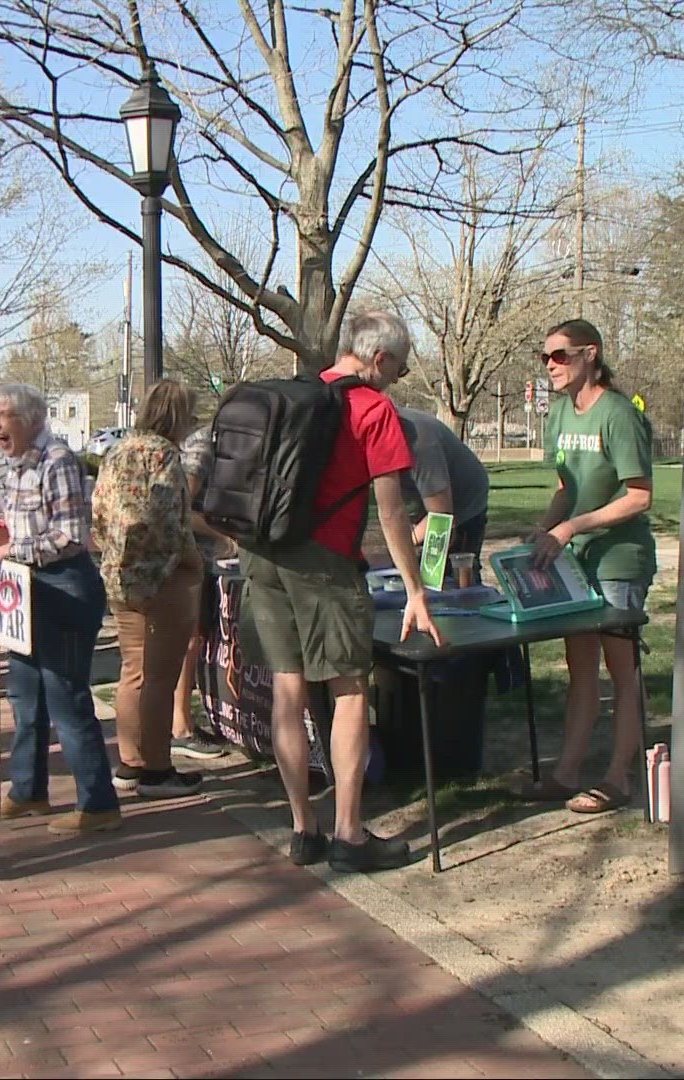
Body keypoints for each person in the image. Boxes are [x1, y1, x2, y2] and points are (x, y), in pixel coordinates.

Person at [239, 312, 441, 872]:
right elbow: (393, 510)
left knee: (288, 689)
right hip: (324, 563)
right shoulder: (374, 410)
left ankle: (304, 829)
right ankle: (349, 834)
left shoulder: (300, 393)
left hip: (266, 553)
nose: (398, 378)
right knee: (350, 688)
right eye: (397, 367)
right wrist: (414, 587)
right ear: (379, 360)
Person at [0, 383, 121, 836]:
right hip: (27, 591)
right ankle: (28, 789)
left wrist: (9, 551)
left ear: (32, 419)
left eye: (4, 415)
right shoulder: (17, 463)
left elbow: (70, 536)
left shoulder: (56, 460)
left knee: (65, 695)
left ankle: (97, 802)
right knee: (25, 695)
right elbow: (28, 523)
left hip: (64, 589)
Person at [525, 318, 655, 814]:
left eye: (560, 355)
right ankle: (565, 773)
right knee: (580, 670)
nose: (551, 366)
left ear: (590, 355)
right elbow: (565, 488)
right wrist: (546, 528)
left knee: (623, 673)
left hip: (619, 562)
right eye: (546, 358)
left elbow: (640, 497)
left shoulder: (618, 414)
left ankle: (619, 777)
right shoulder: (558, 415)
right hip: (573, 564)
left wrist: (573, 527)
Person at [92, 380, 206, 799]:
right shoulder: (163, 455)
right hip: (163, 578)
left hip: (120, 574)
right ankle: (158, 768)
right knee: (160, 677)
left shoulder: (117, 451)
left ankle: (130, 762)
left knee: (133, 672)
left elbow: (100, 511)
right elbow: (170, 521)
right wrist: (193, 560)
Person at [170, 419, 232, 760]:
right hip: (188, 559)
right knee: (188, 639)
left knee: (191, 639)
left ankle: (180, 722)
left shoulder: (211, 444)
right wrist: (223, 536)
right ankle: (180, 726)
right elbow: (182, 507)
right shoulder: (203, 446)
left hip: (192, 558)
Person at [396, 403, 492, 569]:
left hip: (463, 502)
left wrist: (404, 545)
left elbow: (442, 516)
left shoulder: (418, 440)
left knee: (449, 571)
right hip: (425, 497)